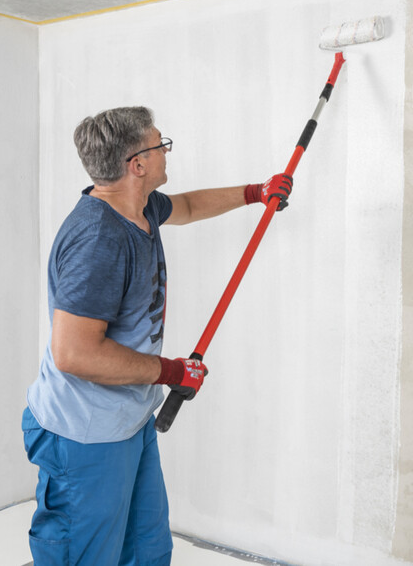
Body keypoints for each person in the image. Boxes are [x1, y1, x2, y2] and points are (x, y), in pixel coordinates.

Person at [22, 106, 292, 565]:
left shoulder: (139, 206)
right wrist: (169, 371)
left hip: (128, 417)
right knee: (85, 556)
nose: (167, 151)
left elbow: (185, 206)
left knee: (145, 549)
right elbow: (73, 353)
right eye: (160, 143)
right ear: (138, 164)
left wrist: (254, 193)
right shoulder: (99, 240)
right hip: (84, 434)